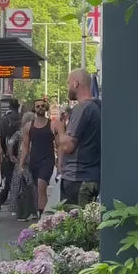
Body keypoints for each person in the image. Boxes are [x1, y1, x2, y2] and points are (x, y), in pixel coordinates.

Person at [54, 69, 101, 206]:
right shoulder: (98, 106)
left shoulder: (82, 108)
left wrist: (60, 128)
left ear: (76, 84)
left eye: (68, 83)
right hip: (92, 175)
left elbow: (68, 146)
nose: (67, 87)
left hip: (78, 178)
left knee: (75, 222)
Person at [21, 97, 56, 218]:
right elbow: (25, 147)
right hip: (34, 160)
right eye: (38, 106)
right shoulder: (28, 126)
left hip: (48, 160)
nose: (40, 108)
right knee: (38, 189)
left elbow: (59, 145)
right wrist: (20, 163)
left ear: (45, 108)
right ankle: (41, 212)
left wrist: (60, 161)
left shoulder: (52, 125)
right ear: (34, 109)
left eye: (42, 106)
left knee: (42, 185)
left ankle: (44, 217)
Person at [0, 97, 21, 211]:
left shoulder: (4, 119)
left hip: (8, 152)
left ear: (9, 107)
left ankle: (0, 198)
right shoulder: (22, 118)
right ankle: (17, 202)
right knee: (19, 178)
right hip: (20, 152)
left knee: (6, 178)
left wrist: (5, 153)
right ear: (18, 107)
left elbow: (2, 138)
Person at [9, 111, 36, 220]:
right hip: (33, 159)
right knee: (32, 185)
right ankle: (34, 210)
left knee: (17, 184)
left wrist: (11, 155)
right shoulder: (35, 131)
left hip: (21, 159)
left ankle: (16, 209)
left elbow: (10, 143)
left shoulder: (19, 132)